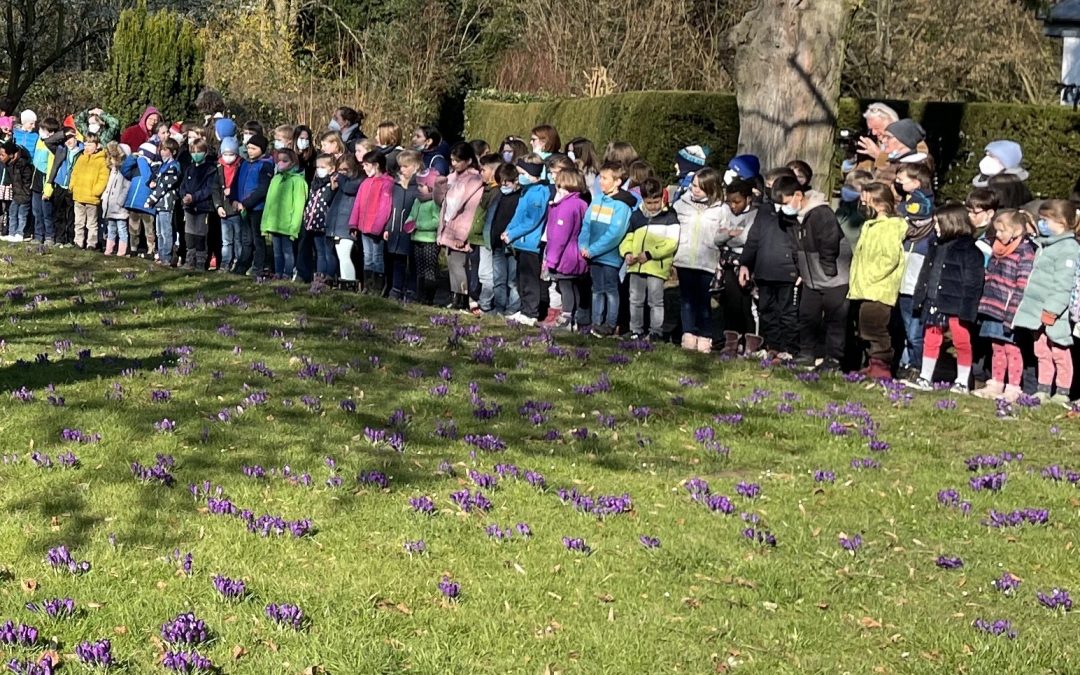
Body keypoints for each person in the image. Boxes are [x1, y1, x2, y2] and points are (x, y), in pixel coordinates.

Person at [772, 174, 851, 369]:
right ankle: (806, 352)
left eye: (786, 202)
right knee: (807, 315)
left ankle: (833, 358)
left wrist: (828, 269)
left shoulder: (821, 214)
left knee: (835, 319)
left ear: (798, 195)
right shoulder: (791, 219)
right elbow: (795, 247)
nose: (782, 208)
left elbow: (829, 242)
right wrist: (801, 271)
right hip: (810, 278)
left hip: (833, 278)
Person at [908, 205, 985, 392]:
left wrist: (968, 308)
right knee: (931, 339)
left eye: (938, 223)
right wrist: (921, 296)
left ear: (952, 223)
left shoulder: (970, 250)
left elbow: (974, 282)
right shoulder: (935, 245)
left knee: (961, 341)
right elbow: (926, 273)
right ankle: (925, 377)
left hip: (957, 304)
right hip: (934, 300)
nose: (935, 227)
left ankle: (961, 381)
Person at [1011, 199, 1080, 404]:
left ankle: (1062, 391)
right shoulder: (1046, 245)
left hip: (1055, 313)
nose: (1042, 224)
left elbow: (1064, 285)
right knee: (1041, 350)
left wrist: (1052, 310)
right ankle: (1043, 388)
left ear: (1062, 222)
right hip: (1037, 311)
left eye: (1046, 220)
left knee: (1059, 350)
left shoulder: (1068, 249)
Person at [972, 210, 1037, 401]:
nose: (998, 235)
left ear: (1017, 231)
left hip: (1009, 309)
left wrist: (1013, 311)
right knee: (996, 347)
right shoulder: (996, 248)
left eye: (1002, 231)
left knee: (1011, 348)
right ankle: (996, 381)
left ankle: (1013, 385)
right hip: (992, 305)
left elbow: (1022, 283)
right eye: (997, 230)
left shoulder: (1025, 252)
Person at [847, 182, 907, 379]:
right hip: (864, 287)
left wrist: (871, 277)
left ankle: (882, 366)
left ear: (880, 204)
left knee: (875, 328)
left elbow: (890, 258)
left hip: (878, 288)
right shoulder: (870, 225)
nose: (863, 205)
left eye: (866, 202)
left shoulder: (890, 227)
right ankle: (872, 363)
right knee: (864, 327)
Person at [738, 168, 800, 360]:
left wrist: (801, 270)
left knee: (788, 313)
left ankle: (788, 349)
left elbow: (801, 244)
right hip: (765, 271)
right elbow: (753, 239)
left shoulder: (796, 214)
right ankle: (771, 345)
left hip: (788, 273)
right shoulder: (764, 210)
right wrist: (745, 264)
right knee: (766, 311)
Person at [620, 177, 679, 341]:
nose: (653, 206)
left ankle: (656, 331)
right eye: (649, 202)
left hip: (655, 267)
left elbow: (671, 243)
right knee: (635, 299)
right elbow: (628, 238)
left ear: (662, 198)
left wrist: (650, 254)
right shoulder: (636, 216)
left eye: (656, 201)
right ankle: (636, 330)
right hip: (636, 266)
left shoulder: (670, 218)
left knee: (655, 301)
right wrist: (627, 253)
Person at [673, 167, 725, 352]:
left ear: (711, 188)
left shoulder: (721, 209)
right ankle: (688, 334)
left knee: (703, 301)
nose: (695, 190)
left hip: (708, 262)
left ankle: (705, 335)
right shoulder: (681, 205)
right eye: (694, 185)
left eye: (700, 187)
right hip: (685, 259)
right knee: (687, 300)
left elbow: (724, 234)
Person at [582, 161, 635, 338]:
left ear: (618, 181)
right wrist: (583, 245)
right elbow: (586, 224)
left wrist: (594, 249)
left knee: (611, 290)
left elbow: (615, 234)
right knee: (596, 289)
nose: (600, 182)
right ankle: (596, 323)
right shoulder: (597, 200)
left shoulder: (621, 206)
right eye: (600, 178)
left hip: (610, 257)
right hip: (593, 255)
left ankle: (610, 325)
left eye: (605, 178)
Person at [502, 155, 552, 326]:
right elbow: (518, 216)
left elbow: (532, 220)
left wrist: (513, 233)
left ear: (532, 174)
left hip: (531, 243)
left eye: (522, 173)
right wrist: (508, 230)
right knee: (521, 279)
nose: (518, 177)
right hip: (520, 242)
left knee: (530, 280)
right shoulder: (527, 191)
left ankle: (531, 312)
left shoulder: (538, 194)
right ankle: (524, 309)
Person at [437, 143, 485, 311]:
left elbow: (469, 212)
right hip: (448, 228)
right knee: (452, 265)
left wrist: (461, 236)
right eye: (452, 160)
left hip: (459, 232)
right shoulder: (452, 178)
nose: (454, 164)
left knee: (460, 267)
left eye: (457, 161)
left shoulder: (474, 181)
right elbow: (442, 203)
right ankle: (455, 296)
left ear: (468, 161)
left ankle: (463, 298)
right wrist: (439, 186)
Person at [714, 179, 758, 356]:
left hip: (747, 264)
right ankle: (732, 341)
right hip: (729, 265)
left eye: (737, 202)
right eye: (730, 201)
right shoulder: (727, 214)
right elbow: (716, 238)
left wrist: (727, 234)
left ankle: (750, 342)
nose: (733, 206)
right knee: (731, 304)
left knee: (747, 305)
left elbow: (746, 238)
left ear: (748, 199)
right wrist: (731, 233)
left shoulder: (755, 215)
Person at [541, 167, 590, 330]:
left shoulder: (566, 207)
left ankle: (567, 318)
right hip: (576, 255)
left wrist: (551, 260)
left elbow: (559, 237)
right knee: (573, 286)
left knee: (565, 287)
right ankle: (576, 317)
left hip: (565, 256)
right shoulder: (581, 203)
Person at [349, 150, 395, 293]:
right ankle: (368, 285)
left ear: (376, 165)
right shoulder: (365, 183)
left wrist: (377, 227)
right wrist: (353, 224)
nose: (364, 168)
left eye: (366, 165)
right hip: (364, 227)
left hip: (375, 229)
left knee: (377, 257)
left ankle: (378, 287)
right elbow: (357, 204)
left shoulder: (387, 183)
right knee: (367, 257)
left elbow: (385, 207)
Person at [482, 162, 522, 316]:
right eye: (501, 182)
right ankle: (499, 307)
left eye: (506, 182)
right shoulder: (498, 196)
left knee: (513, 280)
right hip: (497, 244)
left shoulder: (520, 197)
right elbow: (490, 218)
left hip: (513, 245)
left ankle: (512, 308)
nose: (503, 185)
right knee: (499, 279)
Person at [262, 148, 308, 280]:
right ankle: (278, 273)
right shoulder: (276, 179)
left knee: (287, 252)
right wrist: (265, 223)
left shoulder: (298, 181)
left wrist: (294, 227)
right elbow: (269, 202)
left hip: (287, 225)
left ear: (293, 162)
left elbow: (299, 206)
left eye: (285, 161)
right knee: (277, 252)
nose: (281, 163)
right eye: (279, 160)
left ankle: (287, 274)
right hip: (275, 223)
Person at [232, 134, 274, 276]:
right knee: (246, 239)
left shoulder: (265, 165)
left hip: (256, 208)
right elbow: (235, 183)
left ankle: (258, 266)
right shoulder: (244, 164)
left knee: (257, 239)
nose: (250, 151)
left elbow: (262, 189)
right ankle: (242, 265)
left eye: (253, 148)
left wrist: (246, 203)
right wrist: (234, 199)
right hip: (242, 207)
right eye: (248, 148)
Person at [466, 153, 503, 313]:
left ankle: (486, 305)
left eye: (484, 170)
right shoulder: (486, 190)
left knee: (486, 274)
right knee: (481, 273)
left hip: (486, 239)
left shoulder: (496, 193)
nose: (481, 173)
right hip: (478, 238)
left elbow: (488, 219)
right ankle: (482, 302)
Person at [384, 150, 422, 299]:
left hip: (412, 230)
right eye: (401, 166)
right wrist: (388, 227)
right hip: (395, 228)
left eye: (405, 166)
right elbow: (391, 208)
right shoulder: (395, 186)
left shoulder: (419, 186)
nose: (402, 170)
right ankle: (396, 288)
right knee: (398, 260)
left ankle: (412, 290)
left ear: (415, 166)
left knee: (413, 261)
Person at [300, 153, 338, 285]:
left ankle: (329, 276)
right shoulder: (315, 184)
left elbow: (328, 199)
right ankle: (320, 276)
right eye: (318, 167)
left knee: (328, 252)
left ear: (332, 168)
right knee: (320, 252)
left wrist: (332, 189)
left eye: (323, 167)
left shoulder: (332, 183)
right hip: (313, 222)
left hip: (326, 223)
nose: (319, 170)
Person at [325, 155, 362, 290]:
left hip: (347, 225)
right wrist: (332, 188)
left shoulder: (356, 182)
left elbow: (349, 188)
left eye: (345, 170)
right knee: (339, 255)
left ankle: (349, 283)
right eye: (339, 170)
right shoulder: (341, 184)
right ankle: (342, 281)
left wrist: (340, 178)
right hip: (335, 225)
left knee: (345, 255)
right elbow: (327, 199)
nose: (341, 173)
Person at [179, 139, 217, 270]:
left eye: (199, 151)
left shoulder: (210, 170)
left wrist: (194, 197)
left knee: (200, 234)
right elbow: (183, 185)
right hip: (188, 207)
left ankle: (201, 261)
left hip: (202, 207)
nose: (196, 154)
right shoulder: (189, 169)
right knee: (189, 234)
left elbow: (208, 189)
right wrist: (184, 196)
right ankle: (190, 260)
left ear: (205, 152)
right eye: (193, 152)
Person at [408, 169, 442, 304]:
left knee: (429, 270)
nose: (419, 188)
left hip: (429, 240)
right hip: (417, 239)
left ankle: (429, 297)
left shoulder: (434, 203)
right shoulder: (417, 201)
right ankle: (420, 294)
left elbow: (436, 221)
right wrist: (408, 223)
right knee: (419, 269)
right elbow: (412, 214)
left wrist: (419, 225)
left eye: (421, 185)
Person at [145, 138, 182, 265]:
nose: (162, 152)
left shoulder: (174, 166)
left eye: (166, 150)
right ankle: (160, 255)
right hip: (159, 204)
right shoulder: (162, 166)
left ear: (173, 151)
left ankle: (166, 256)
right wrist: (152, 182)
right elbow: (156, 179)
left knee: (166, 231)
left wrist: (151, 199)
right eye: (161, 149)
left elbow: (166, 184)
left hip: (167, 203)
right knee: (159, 232)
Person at [69, 133, 108, 250]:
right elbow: (74, 173)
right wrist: (72, 186)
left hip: (91, 197)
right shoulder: (81, 158)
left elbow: (103, 178)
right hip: (79, 195)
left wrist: (96, 191)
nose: (87, 147)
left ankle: (91, 243)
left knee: (91, 223)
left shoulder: (101, 160)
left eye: (90, 145)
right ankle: (78, 242)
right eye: (85, 145)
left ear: (97, 145)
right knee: (79, 222)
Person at [122, 142, 159, 257]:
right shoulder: (135, 168)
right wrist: (132, 158)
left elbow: (147, 175)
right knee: (133, 228)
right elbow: (124, 170)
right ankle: (133, 248)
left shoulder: (153, 168)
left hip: (146, 206)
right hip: (134, 204)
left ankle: (150, 249)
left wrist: (142, 160)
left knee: (149, 230)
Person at [212, 136, 242, 272]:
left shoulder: (241, 167)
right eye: (225, 154)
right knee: (226, 240)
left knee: (238, 239)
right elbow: (215, 189)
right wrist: (218, 206)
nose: (228, 157)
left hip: (236, 209)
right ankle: (225, 262)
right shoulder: (219, 168)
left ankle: (239, 261)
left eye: (231, 154)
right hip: (224, 210)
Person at [48, 127, 82, 247]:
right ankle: (59, 238)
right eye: (66, 139)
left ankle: (70, 239)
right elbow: (48, 142)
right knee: (59, 213)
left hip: (73, 187)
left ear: (76, 137)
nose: (68, 141)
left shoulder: (83, 151)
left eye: (70, 138)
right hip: (60, 185)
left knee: (72, 215)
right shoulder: (61, 149)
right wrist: (63, 134)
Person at [31, 117, 62, 245]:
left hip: (46, 181)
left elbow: (51, 168)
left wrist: (48, 189)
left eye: (44, 129)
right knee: (36, 211)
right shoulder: (39, 141)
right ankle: (38, 235)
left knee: (46, 212)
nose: (41, 131)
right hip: (36, 179)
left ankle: (49, 236)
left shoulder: (53, 147)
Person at [99, 142, 130, 256]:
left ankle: (122, 250)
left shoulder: (125, 172)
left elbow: (126, 187)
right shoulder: (113, 170)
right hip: (110, 205)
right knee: (111, 227)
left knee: (121, 228)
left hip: (118, 206)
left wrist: (120, 202)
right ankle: (109, 249)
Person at [0, 141, 33, 242]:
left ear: (10, 155)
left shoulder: (23, 164)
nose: (0, 157)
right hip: (15, 195)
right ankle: (11, 233)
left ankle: (20, 233)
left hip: (24, 195)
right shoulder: (9, 164)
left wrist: (25, 194)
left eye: (2, 155)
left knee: (21, 215)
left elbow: (27, 181)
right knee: (12, 213)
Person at [836, 169, 873, 248]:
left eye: (852, 188)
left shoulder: (865, 216)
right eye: (846, 185)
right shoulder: (841, 210)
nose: (846, 190)